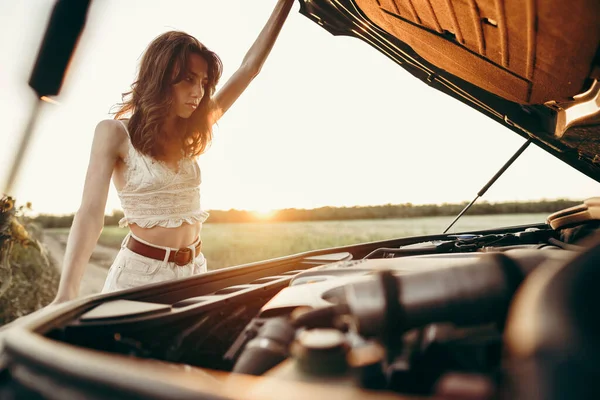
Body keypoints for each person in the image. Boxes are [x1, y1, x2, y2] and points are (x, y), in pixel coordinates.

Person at [52, 0, 295, 303]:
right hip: (139, 278)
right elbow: (89, 215)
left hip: (196, 272)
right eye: (189, 80)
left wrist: (286, 4)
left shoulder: (192, 129)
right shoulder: (113, 132)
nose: (199, 92)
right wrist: (67, 293)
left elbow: (249, 68)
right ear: (161, 77)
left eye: (205, 83)